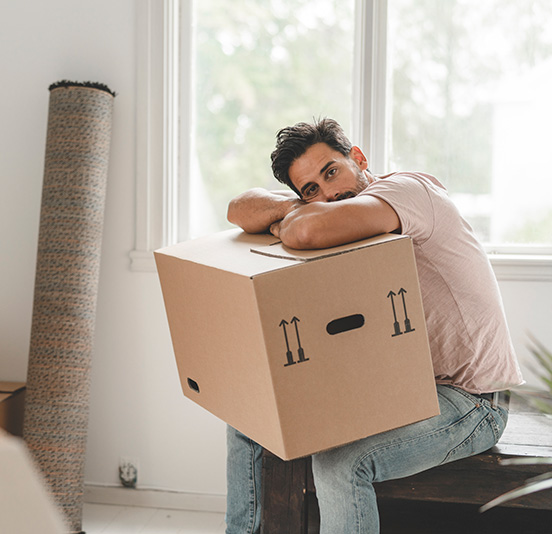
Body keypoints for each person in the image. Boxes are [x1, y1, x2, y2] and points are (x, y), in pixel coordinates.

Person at [224, 118, 524, 534]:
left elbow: (308, 229)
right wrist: (297, 209)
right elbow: (238, 209)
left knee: (340, 464)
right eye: (311, 189)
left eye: (331, 171)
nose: (329, 192)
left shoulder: (405, 192)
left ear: (359, 158)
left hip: (471, 402)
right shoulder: (340, 214)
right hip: (402, 384)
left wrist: (305, 213)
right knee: (250, 415)